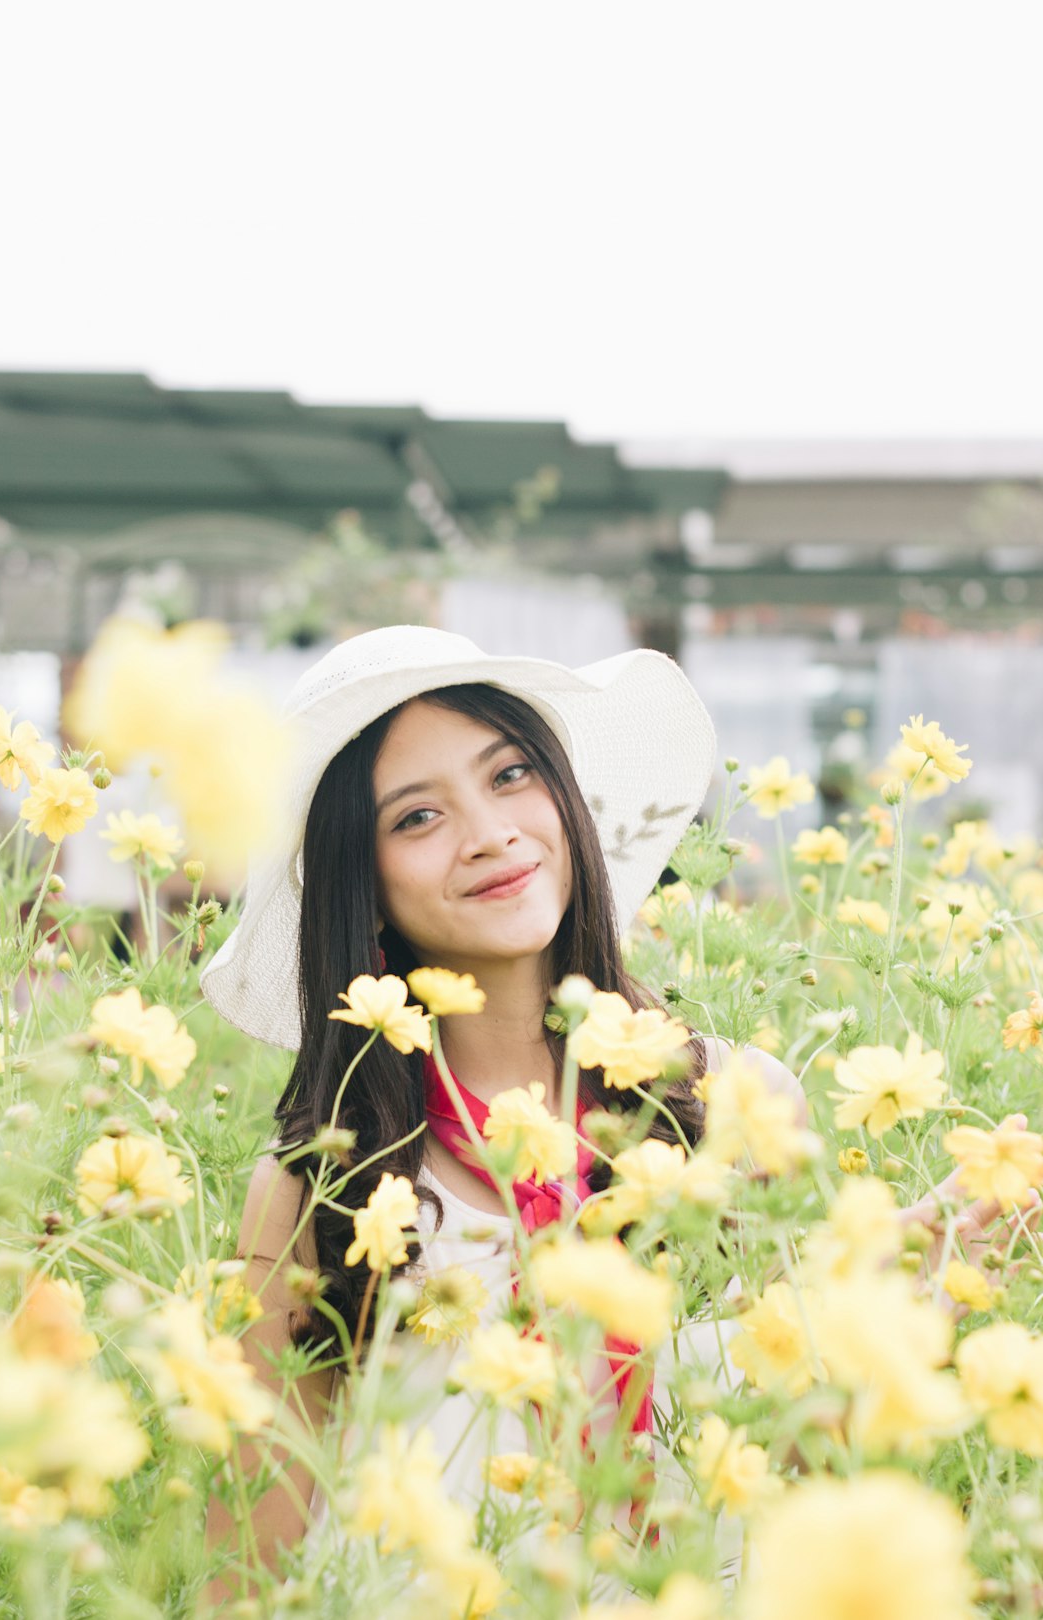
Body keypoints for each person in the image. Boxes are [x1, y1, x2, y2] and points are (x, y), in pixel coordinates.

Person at [197, 624, 805, 1609]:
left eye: (511, 773)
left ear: (566, 797)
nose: (488, 832)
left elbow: (813, 1440)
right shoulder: (324, 1185)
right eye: (418, 817)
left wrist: (924, 1281)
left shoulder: (744, 1107)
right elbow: (247, 1563)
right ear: (369, 888)